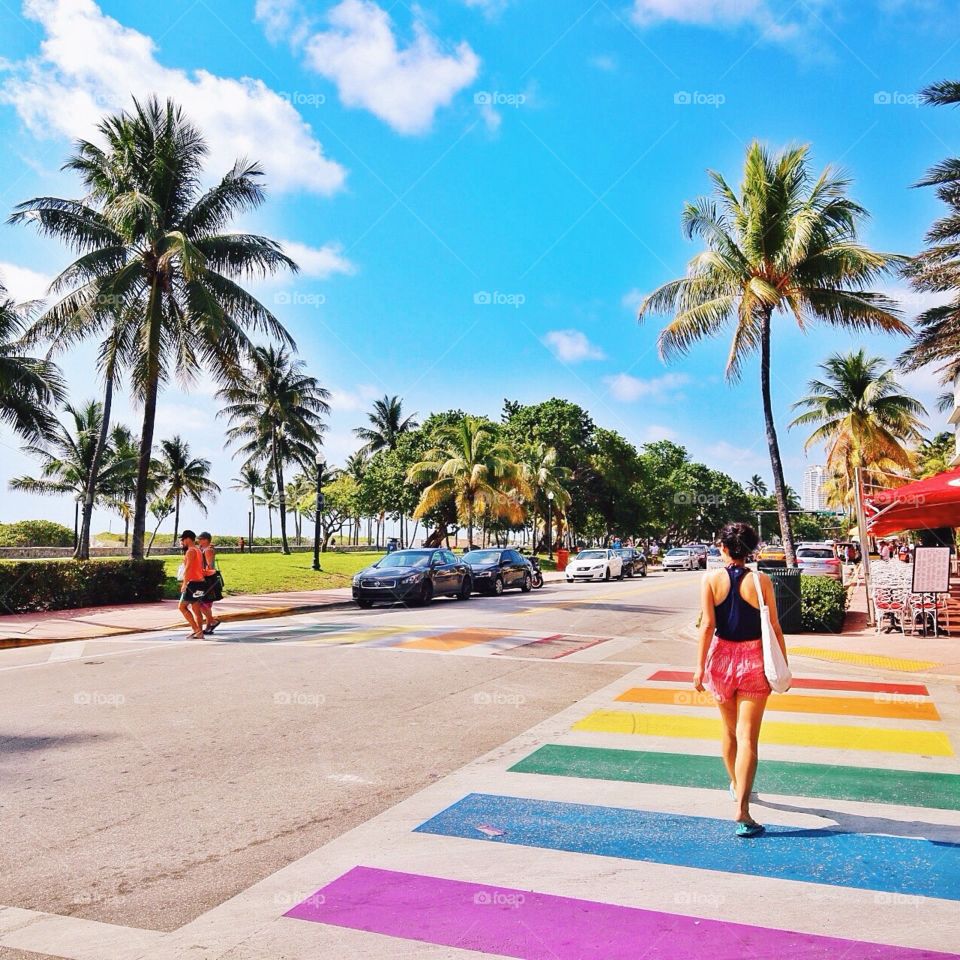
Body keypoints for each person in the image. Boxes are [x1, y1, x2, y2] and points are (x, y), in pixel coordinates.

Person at [694, 521, 788, 838]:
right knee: (748, 737)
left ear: (723, 547)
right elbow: (774, 627)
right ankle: (743, 810)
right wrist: (784, 665)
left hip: (720, 660)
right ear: (751, 549)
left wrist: (698, 669)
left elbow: (707, 625)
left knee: (729, 731)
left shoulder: (710, 580)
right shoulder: (761, 581)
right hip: (753, 661)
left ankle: (735, 784)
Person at [178, 530, 206, 640]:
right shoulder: (198, 550)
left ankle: (196, 630)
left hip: (192, 583)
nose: (182, 542)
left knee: (182, 607)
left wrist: (184, 583)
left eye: (183, 539)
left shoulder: (190, 551)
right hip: (201, 582)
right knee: (196, 609)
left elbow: (188, 568)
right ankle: (200, 632)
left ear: (188, 539)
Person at [198, 532, 222, 635]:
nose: (199, 541)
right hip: (207, 578)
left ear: (206, 540)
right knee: (206, 604)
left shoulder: (208, 550)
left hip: (207, 579)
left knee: (201, 603)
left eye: (200, 539)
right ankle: (208, 627)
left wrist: (202, 573)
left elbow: (210, 567)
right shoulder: (205, 550)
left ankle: (212, 621)